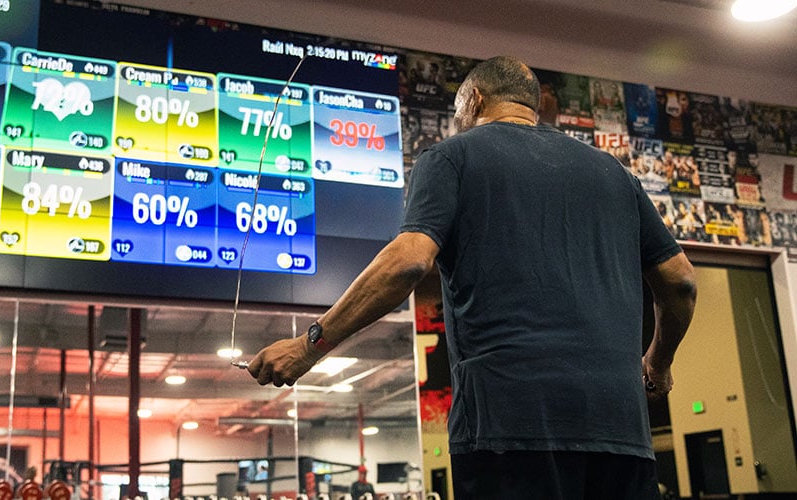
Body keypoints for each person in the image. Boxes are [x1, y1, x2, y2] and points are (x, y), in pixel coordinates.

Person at [246, 56, 697, 500]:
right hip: (622, 433)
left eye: (459, 110)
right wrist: (658, 361)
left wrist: (309, 346)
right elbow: (680, 282)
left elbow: (408, 261)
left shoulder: (452, 157)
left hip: (509, 431)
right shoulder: (616, 175)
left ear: (475, 99)